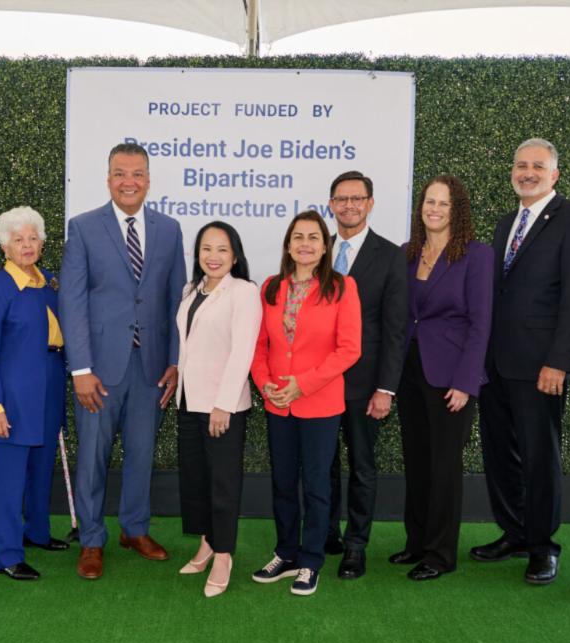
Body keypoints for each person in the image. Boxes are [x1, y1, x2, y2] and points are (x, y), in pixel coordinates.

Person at [475, 138, 570, 585]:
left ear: (555, 174)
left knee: (539, 456)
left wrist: (559, 362)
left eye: (537, 166)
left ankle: (543, 546)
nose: (526, 172)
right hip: (494, 364)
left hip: (540, 366)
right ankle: (514, 532)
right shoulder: (507, 221)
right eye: (520, 165)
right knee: (500, 453)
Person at [59, 142, 186, 580]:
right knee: (92, 455)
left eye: (136, 174)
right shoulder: (83, 228)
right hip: (97, 369)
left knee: (141, 453)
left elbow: (177, 300)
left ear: (148, 180)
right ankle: (92, 539)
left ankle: (135, 528)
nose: (128, 181)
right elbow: (71, 303)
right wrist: (80, 370)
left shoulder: (169, 230)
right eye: (119, 173)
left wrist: (175, 359)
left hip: (150, 367)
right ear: (108, 178)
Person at [251, 210, 361, 596]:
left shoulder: (343, 288)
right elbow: (259, 346)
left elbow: (349, 350)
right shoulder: (270, 287)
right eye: (298, 237)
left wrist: (304, 385)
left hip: (320, 404)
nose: (305, 244)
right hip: (278, 403)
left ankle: (311, 560)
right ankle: (286, 553)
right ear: (287, 244)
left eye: (314, 237)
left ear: (325, 245)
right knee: (283, 482)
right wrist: (266, 386)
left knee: (316, 485)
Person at [393, 175, 493, 581]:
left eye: (443, 204)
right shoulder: (407, 252)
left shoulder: (476, 255)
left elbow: (481, 321)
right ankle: (416, 542)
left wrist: (466, 382)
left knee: (444, 466)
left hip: (450, 375)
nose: (434, 209)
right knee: (416, 460)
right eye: (429, 202)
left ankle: (439, 554)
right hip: (409, 372)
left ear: (458, 211)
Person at [0, 207, 69, 581]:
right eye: (18, 239)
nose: (26, 245)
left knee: (41, 466)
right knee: (9, 476)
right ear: (3, 246)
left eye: (32, 238)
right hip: (12, 392)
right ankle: (7, 554)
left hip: (49, 383)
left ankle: (37, 533)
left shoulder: (49, 283)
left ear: (43, 244)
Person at [323, 170, 410, 579]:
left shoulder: (391, 255)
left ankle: (356, 545)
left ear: (370, 204)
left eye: (357, 199)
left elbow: (396, 328)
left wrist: (386, 388)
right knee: (322, 464)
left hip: (365, 383)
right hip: (319, 382)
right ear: (331, 205)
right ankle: (327, 532)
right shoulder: (315, 249)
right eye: (341, 199)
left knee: (362, 465)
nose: (349, 206)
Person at [174, 221, 262, 598]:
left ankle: (224, 554)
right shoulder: (190, 289)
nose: (213, 256)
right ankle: (207, 542)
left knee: (223, 483)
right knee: (195, 478)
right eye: (206, 248)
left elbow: (243, 352)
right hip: (188, 401)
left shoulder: (244, 293)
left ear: (235, 255)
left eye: (222, 249)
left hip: (222, 406)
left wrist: (223, 405)